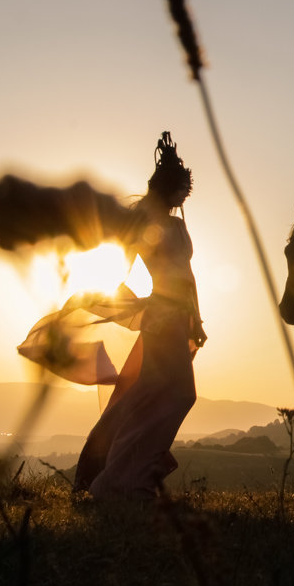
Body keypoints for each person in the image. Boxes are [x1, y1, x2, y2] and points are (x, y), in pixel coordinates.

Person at [71, 131, 206, 500]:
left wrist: (196, 319)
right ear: (169, 189)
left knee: (157, 393)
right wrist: (124, 303)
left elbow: (187, 276)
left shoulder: (177, 223)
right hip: (161, 318)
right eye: (181, 191)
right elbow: (119, 272)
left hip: (178, 319)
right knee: (176, 394)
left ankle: (125, 473)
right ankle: (121, 478)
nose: (184, 199)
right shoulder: (145, 224)